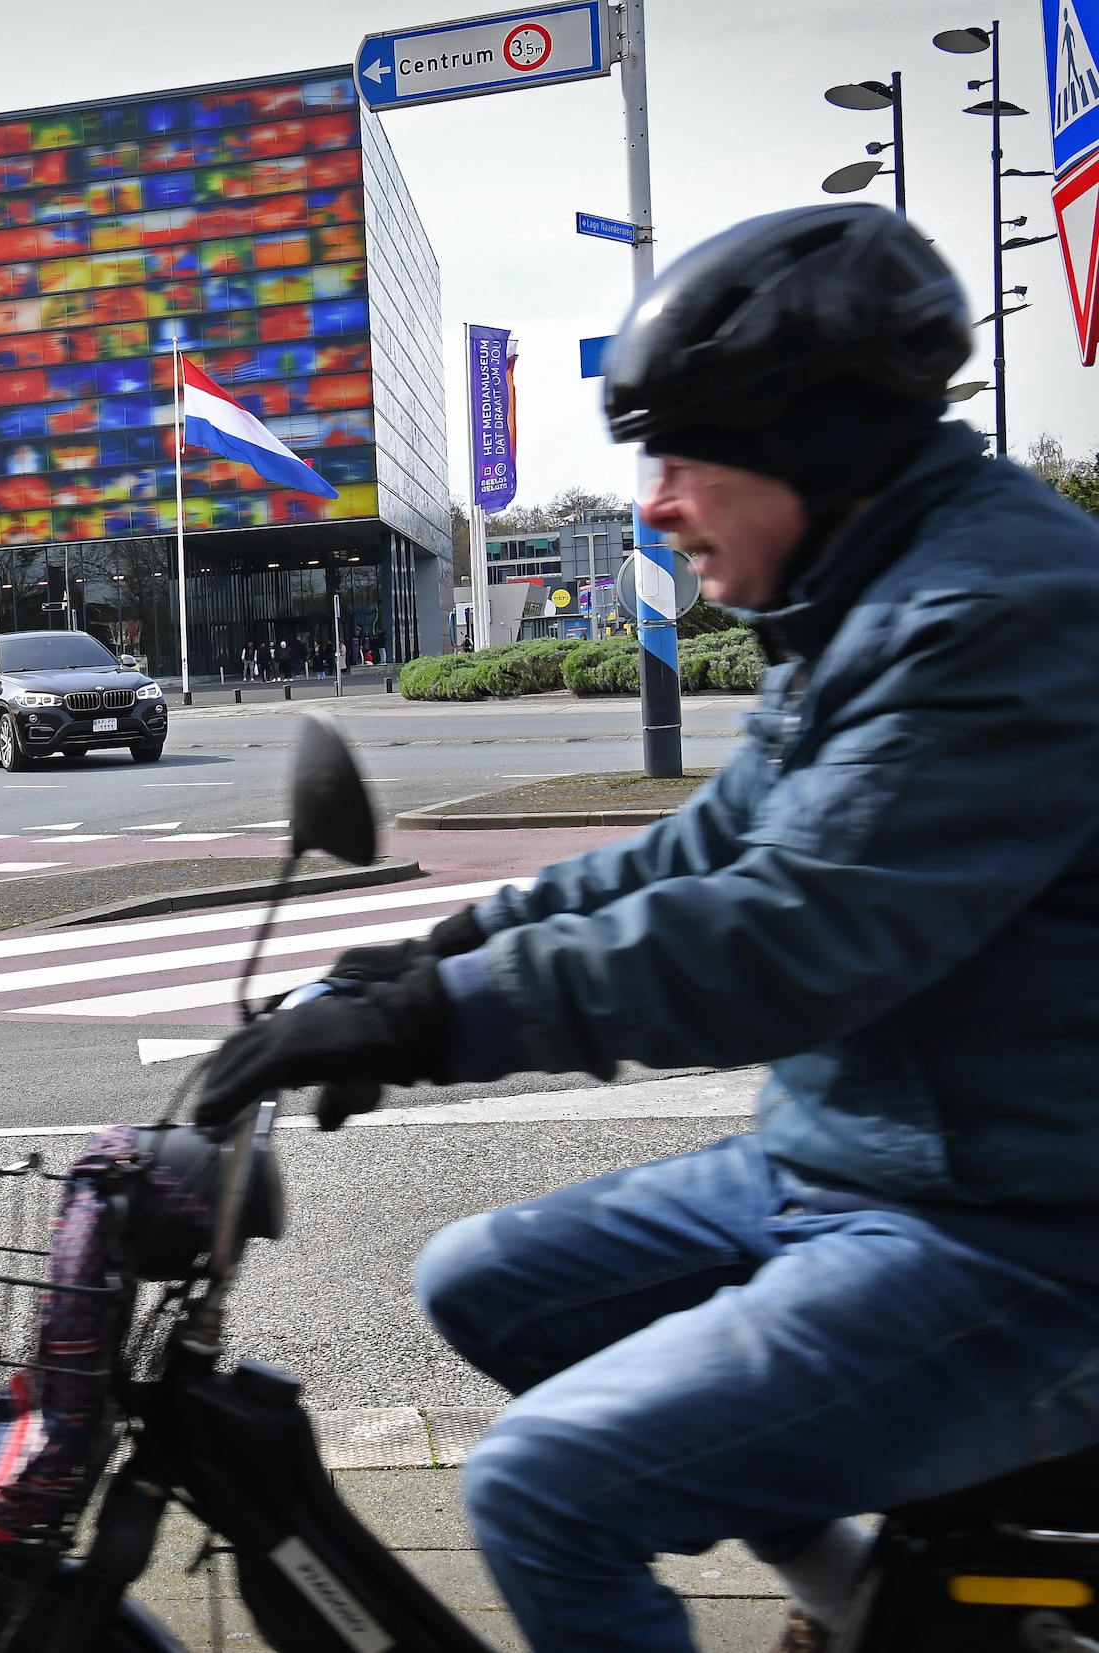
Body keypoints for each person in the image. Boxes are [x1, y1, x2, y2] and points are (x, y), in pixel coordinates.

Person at [193, 203, 1099, 1653]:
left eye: (680, 458)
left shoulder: (989, 616)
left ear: (805, 444)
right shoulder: (864, 603)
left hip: (1019, 1240)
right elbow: (703, 850)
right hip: (873, 1164)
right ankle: (864, 1598)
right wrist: (435, 954)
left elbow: (789, 932)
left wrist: (443, 1024)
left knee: (549, 1489)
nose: (658, 505)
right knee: (485, 1281)